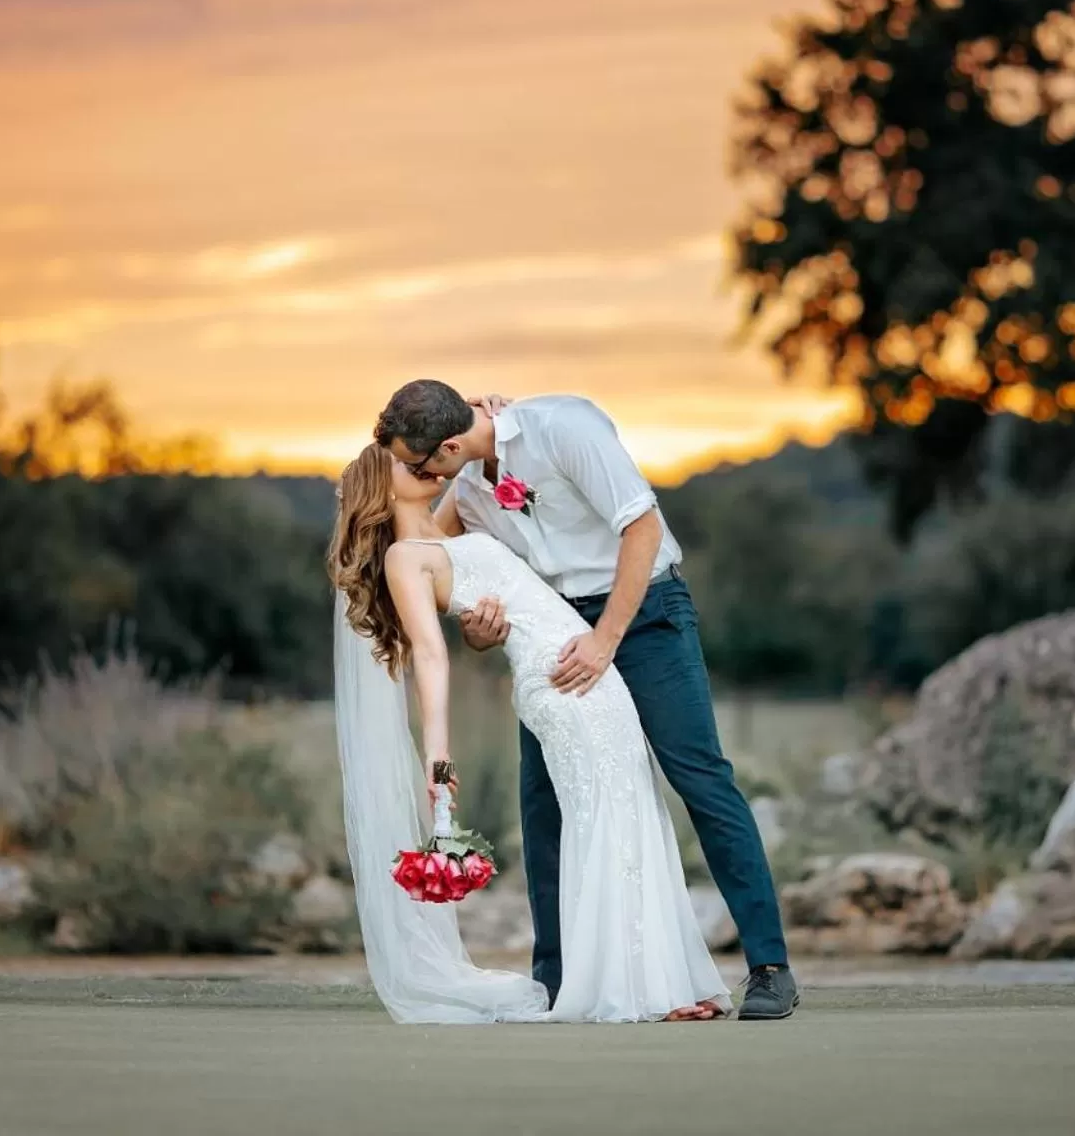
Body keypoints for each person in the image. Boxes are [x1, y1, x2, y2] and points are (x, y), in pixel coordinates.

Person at [375, 380, 799, 1022]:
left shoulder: (564, 427)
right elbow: (451, 579)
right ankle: (557, 976)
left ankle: (769, 967)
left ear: (450, 445)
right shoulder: (464, 493)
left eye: (418, 463)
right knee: (544, 800)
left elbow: (643, 528)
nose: (419, 477)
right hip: (552, 633)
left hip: (645, 613)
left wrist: (605, 640)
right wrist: (480, 632)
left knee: (700, 777)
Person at [329, 443, 731, 1023]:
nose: (420, 460)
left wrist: (485, 417)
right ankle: (629, 991)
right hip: (558, 682)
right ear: (382, 486)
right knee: (602, 817)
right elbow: (431, 656)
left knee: (633, 808)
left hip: (591, 674)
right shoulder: (403, 558)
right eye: (402, 460)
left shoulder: (444, 527)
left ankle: (661, 981)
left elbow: (473, 450)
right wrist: (438, 757)